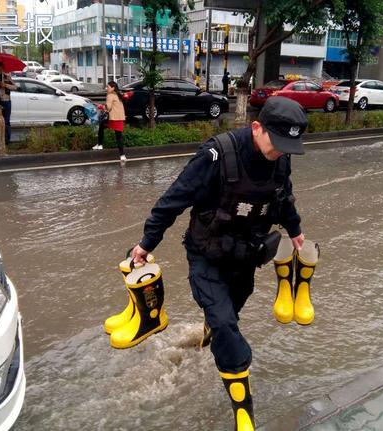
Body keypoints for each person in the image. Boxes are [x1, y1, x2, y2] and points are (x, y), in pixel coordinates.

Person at [129, 96, 307, 431]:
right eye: (278, 143)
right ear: (257, 128)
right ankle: (244, 413)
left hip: (246, 258)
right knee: (227, 327)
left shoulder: (281, 158)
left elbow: (283, 196)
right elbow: (173, 200)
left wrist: (295, 230)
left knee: (227, 319)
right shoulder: (216, 156)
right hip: (206, 255)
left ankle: (210, 335)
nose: (281, 152)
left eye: (289, 146)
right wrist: (146, 243)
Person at [92, 81, 127, 161]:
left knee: (101, 126)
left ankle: (100, 145)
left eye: (108, 87)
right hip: (120, 118)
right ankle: (122, 155)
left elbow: (108, 108)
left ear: (113, 88)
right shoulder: (118, 95)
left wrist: (100, 106)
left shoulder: (110, 95)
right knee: (119, 137)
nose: (106, 88)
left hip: (113, 118)